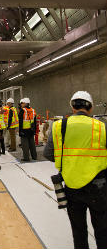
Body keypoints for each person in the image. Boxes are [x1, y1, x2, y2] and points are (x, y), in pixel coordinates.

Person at [44, 91, 107, 249]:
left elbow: (48, 154)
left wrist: (70, 160)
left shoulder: (59, 126)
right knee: (102, 231)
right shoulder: (101, 126)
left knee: (78, 231)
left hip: (71, 186)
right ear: (90, 108)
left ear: (72, 107)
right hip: (98, 187)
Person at [19, 98, 37, 162]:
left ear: (25, 103)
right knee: (32, 144)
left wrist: (20, 131)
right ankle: (34, 156)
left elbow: (20, 122)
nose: (21, 104)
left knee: (25, 145)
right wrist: (35, 130)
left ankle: (26, 158)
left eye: (22, 103)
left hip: (24, 130)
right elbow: (35, 121)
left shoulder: (22, 110)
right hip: (31, 129)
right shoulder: (33, 110)